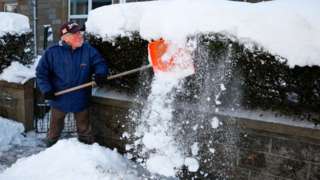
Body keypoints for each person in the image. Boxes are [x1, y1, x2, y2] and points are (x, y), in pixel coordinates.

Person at [36, 22, 109, 147]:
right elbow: (41, 73)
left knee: (84, 128)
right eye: (76, 33)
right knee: (55, 128)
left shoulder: (88, 50)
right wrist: (47, 89)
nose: (80, 36)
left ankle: (88, 151)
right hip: (59, 98)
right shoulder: (52, 52)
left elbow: (100, 63)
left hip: (81, 98)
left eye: (80, 33)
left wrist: (100, 74)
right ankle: (50, 149)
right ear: (66, 37)